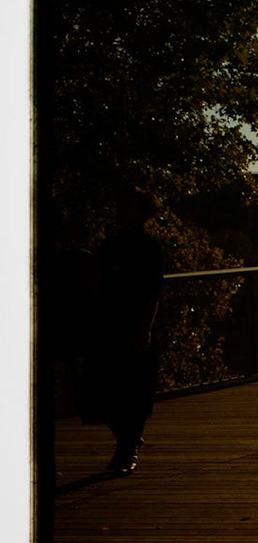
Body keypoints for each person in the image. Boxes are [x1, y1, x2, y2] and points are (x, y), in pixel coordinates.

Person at [82, 187, 167, 476]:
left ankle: (127, 448)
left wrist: (145, 330)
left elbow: (152, 293)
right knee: (111, 389)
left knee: (132, 390)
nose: (120, 213)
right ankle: (128, 441)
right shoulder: (112, 244)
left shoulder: (148, 248)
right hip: (110, 324)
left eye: (126, 207)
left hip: (133, 322)